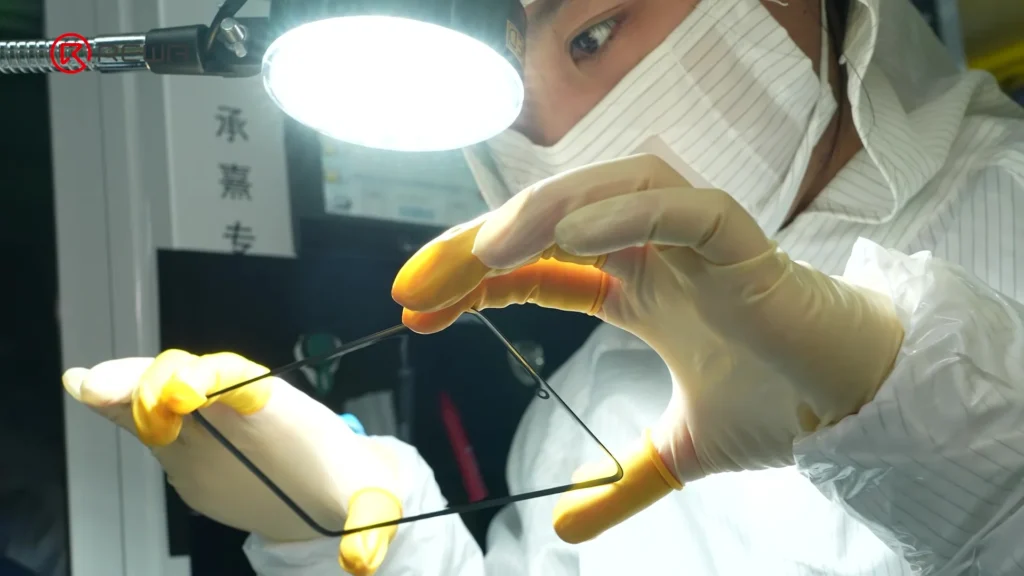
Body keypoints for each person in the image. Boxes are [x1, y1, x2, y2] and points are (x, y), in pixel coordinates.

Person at [63, 0, 1024, 574]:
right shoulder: (591, 415)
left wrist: (944, 433)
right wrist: (338, 524)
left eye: (593, 35)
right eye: (508, 102)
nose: (559, 128)